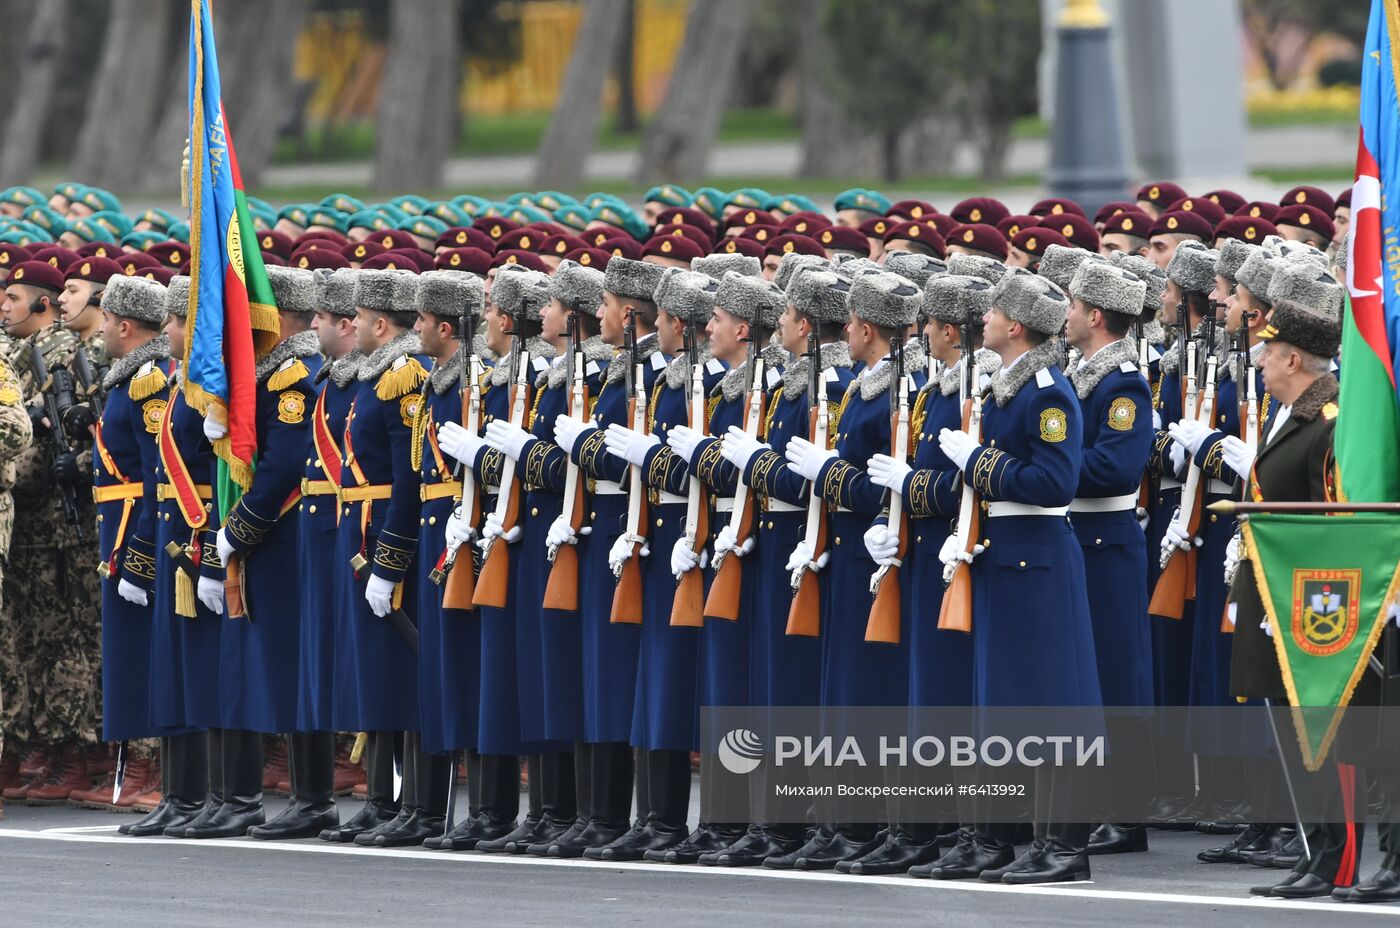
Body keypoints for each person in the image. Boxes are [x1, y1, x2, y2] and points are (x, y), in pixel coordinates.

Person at [935, 267, 1102, 883]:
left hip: (1036, 558)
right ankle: (997, 836)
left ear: (1016, 325)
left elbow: (1056, 483)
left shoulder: (1048, 394)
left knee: (1051, 706)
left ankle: (1062, 846)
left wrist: (981, 463)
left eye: (993, 312)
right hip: (1003, 554)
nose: (983, 319)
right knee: (1002, 704)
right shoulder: (1004, 387)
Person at [779, 270, 923, 871]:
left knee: (870, 692)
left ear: (867, 329)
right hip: (845, 548)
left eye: (852, 324)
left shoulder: (895, 390)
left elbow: (882, 487)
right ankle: (843, 817)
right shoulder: (868, 385)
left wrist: (827, 472)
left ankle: (865, 821)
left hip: (875, 550)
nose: (846, 332)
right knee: (844, 692)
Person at [716, 259, 856, 867]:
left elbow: (812, 480)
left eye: (787, 317)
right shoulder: (793, 381)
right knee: (771, 685)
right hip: (777, 538)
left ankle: (796, 818)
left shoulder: (828, 386)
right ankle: (775, 815)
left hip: (809, 539)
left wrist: (756, 464)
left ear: (804, 323)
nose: (778, 327)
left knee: (797, 686)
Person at [1221, 300, 1359, 899]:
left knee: (1322, 733)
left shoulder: (1328, 421)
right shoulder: (1289, 414)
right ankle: (1318, 853)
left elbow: (1332, 520)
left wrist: (1307, 602)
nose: (1262, 364)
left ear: (1294, 358)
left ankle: (1336, 857)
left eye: (1269, 353)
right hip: (1275, 592)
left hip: (1307, 603)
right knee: (1294, 730)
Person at [869, 273, 997, 878]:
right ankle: (919, 825)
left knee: (951, 701)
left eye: (930, 325)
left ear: (950, 331)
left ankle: (949, 826)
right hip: (924, 555)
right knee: (925, 700)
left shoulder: (977, 390)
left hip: (958, 554)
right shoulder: (933, 391)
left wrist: (912, 489)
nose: (921, 334)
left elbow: (974, 483)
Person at [659, 269, 787, 864]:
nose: (706, 326)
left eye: (717, 319)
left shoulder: (775, 386)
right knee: (724, 687)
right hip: (718, 538)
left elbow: (763, 472)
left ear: (744, 328)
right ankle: (724, 816)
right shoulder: (722, 388)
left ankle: (757, 820)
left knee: (752, 688)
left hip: (753, 540)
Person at [439, 264, 559, 855]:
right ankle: (492, 807)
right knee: (491, 675)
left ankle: (532, 809)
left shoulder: (535, 376)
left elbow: (535, 467)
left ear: (509, 319)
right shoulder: (499, 374)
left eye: (491, 310)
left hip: (527, 538)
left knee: (521, 677)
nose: (484, 319)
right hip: (491, 532)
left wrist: (479, 459)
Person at [325, 269, 427, 845]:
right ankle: (382, 799)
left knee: (397, 672)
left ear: (381, 323)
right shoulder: (374, 375)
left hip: (384, 533)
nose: (352, 325)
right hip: (359, 529)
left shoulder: (403, 375)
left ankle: (410, 800)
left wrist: (389, 561)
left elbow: (409, 477)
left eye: (360, 318)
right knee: (373, 670)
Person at [1, 260, 103, 805]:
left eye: (15, 297)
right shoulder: (16, 354)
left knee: (72, 639)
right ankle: (40, 742)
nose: (5, 305)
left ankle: (79, 748)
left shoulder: (62, 354)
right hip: (31, 518)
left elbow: (62, 430)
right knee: (30, 640)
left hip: (65, 519)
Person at [1062, 260, 1155, 855]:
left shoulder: (1122, 383)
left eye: (1072, 306)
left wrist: (1042, 472)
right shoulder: (1079, 374)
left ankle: (1125, 813)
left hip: (1107, 542)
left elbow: (1114, 467)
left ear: (1096, 316)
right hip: (1080, 539)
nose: (1065, 315)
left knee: (1119, 681)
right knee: (1084, 679)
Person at [126, 276, 219, 838]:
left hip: (197, 532)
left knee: (200, 668)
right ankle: (177, 793)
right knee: (173, 667)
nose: (167, 332)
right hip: (170, 532)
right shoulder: (177, 383)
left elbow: (216, 476)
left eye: (179, 322)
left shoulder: (207, 388)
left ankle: (204, 793)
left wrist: (209, 549)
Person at [89, 274, 172, 817]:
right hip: (112, 524)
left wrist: (139, 556)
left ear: (124, 325)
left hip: (132, 530)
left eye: (103, 321)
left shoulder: (147, 382)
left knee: (144, 653)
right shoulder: (126, 378)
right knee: (125, 653)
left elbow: (155, 476)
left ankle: (154, 771)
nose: (97, 331)